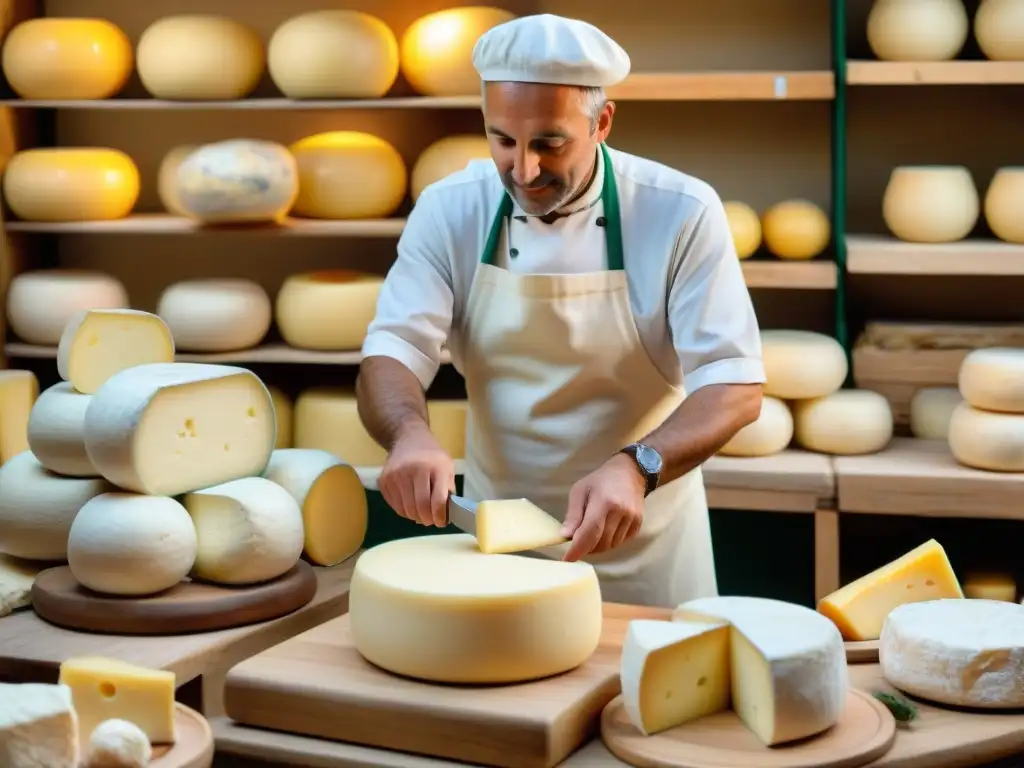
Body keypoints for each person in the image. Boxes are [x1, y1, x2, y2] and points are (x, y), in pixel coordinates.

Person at [356, 13, 765, 607]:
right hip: (500, 553)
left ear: (601, 122)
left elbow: (734, 384)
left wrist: (637, 465)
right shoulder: (451, 209)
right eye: (503, 141)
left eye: (549, 143)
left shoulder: (679, 210)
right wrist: (407, 434)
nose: (523, 170)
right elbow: (394, 349)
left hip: (645, 549)